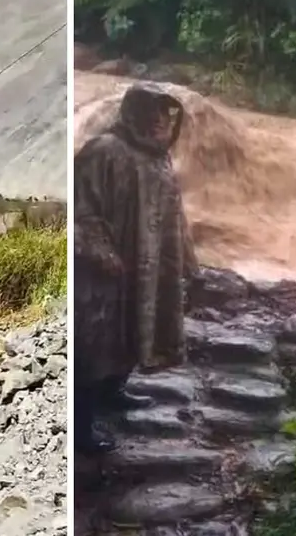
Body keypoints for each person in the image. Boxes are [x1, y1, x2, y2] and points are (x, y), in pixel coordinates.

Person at [73, 82, 200, 454]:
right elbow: (84, 211)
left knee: (133, 335)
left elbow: (175, 215)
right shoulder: (105, 151)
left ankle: (115, 392)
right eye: (154, 112)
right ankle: (81, 429)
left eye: (166, 113)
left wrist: (188, 263)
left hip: (151, 269)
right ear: (137, 113)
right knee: (96, 345)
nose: (162, 119)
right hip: (108, 273)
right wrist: (103, 254)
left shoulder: (158, 156)